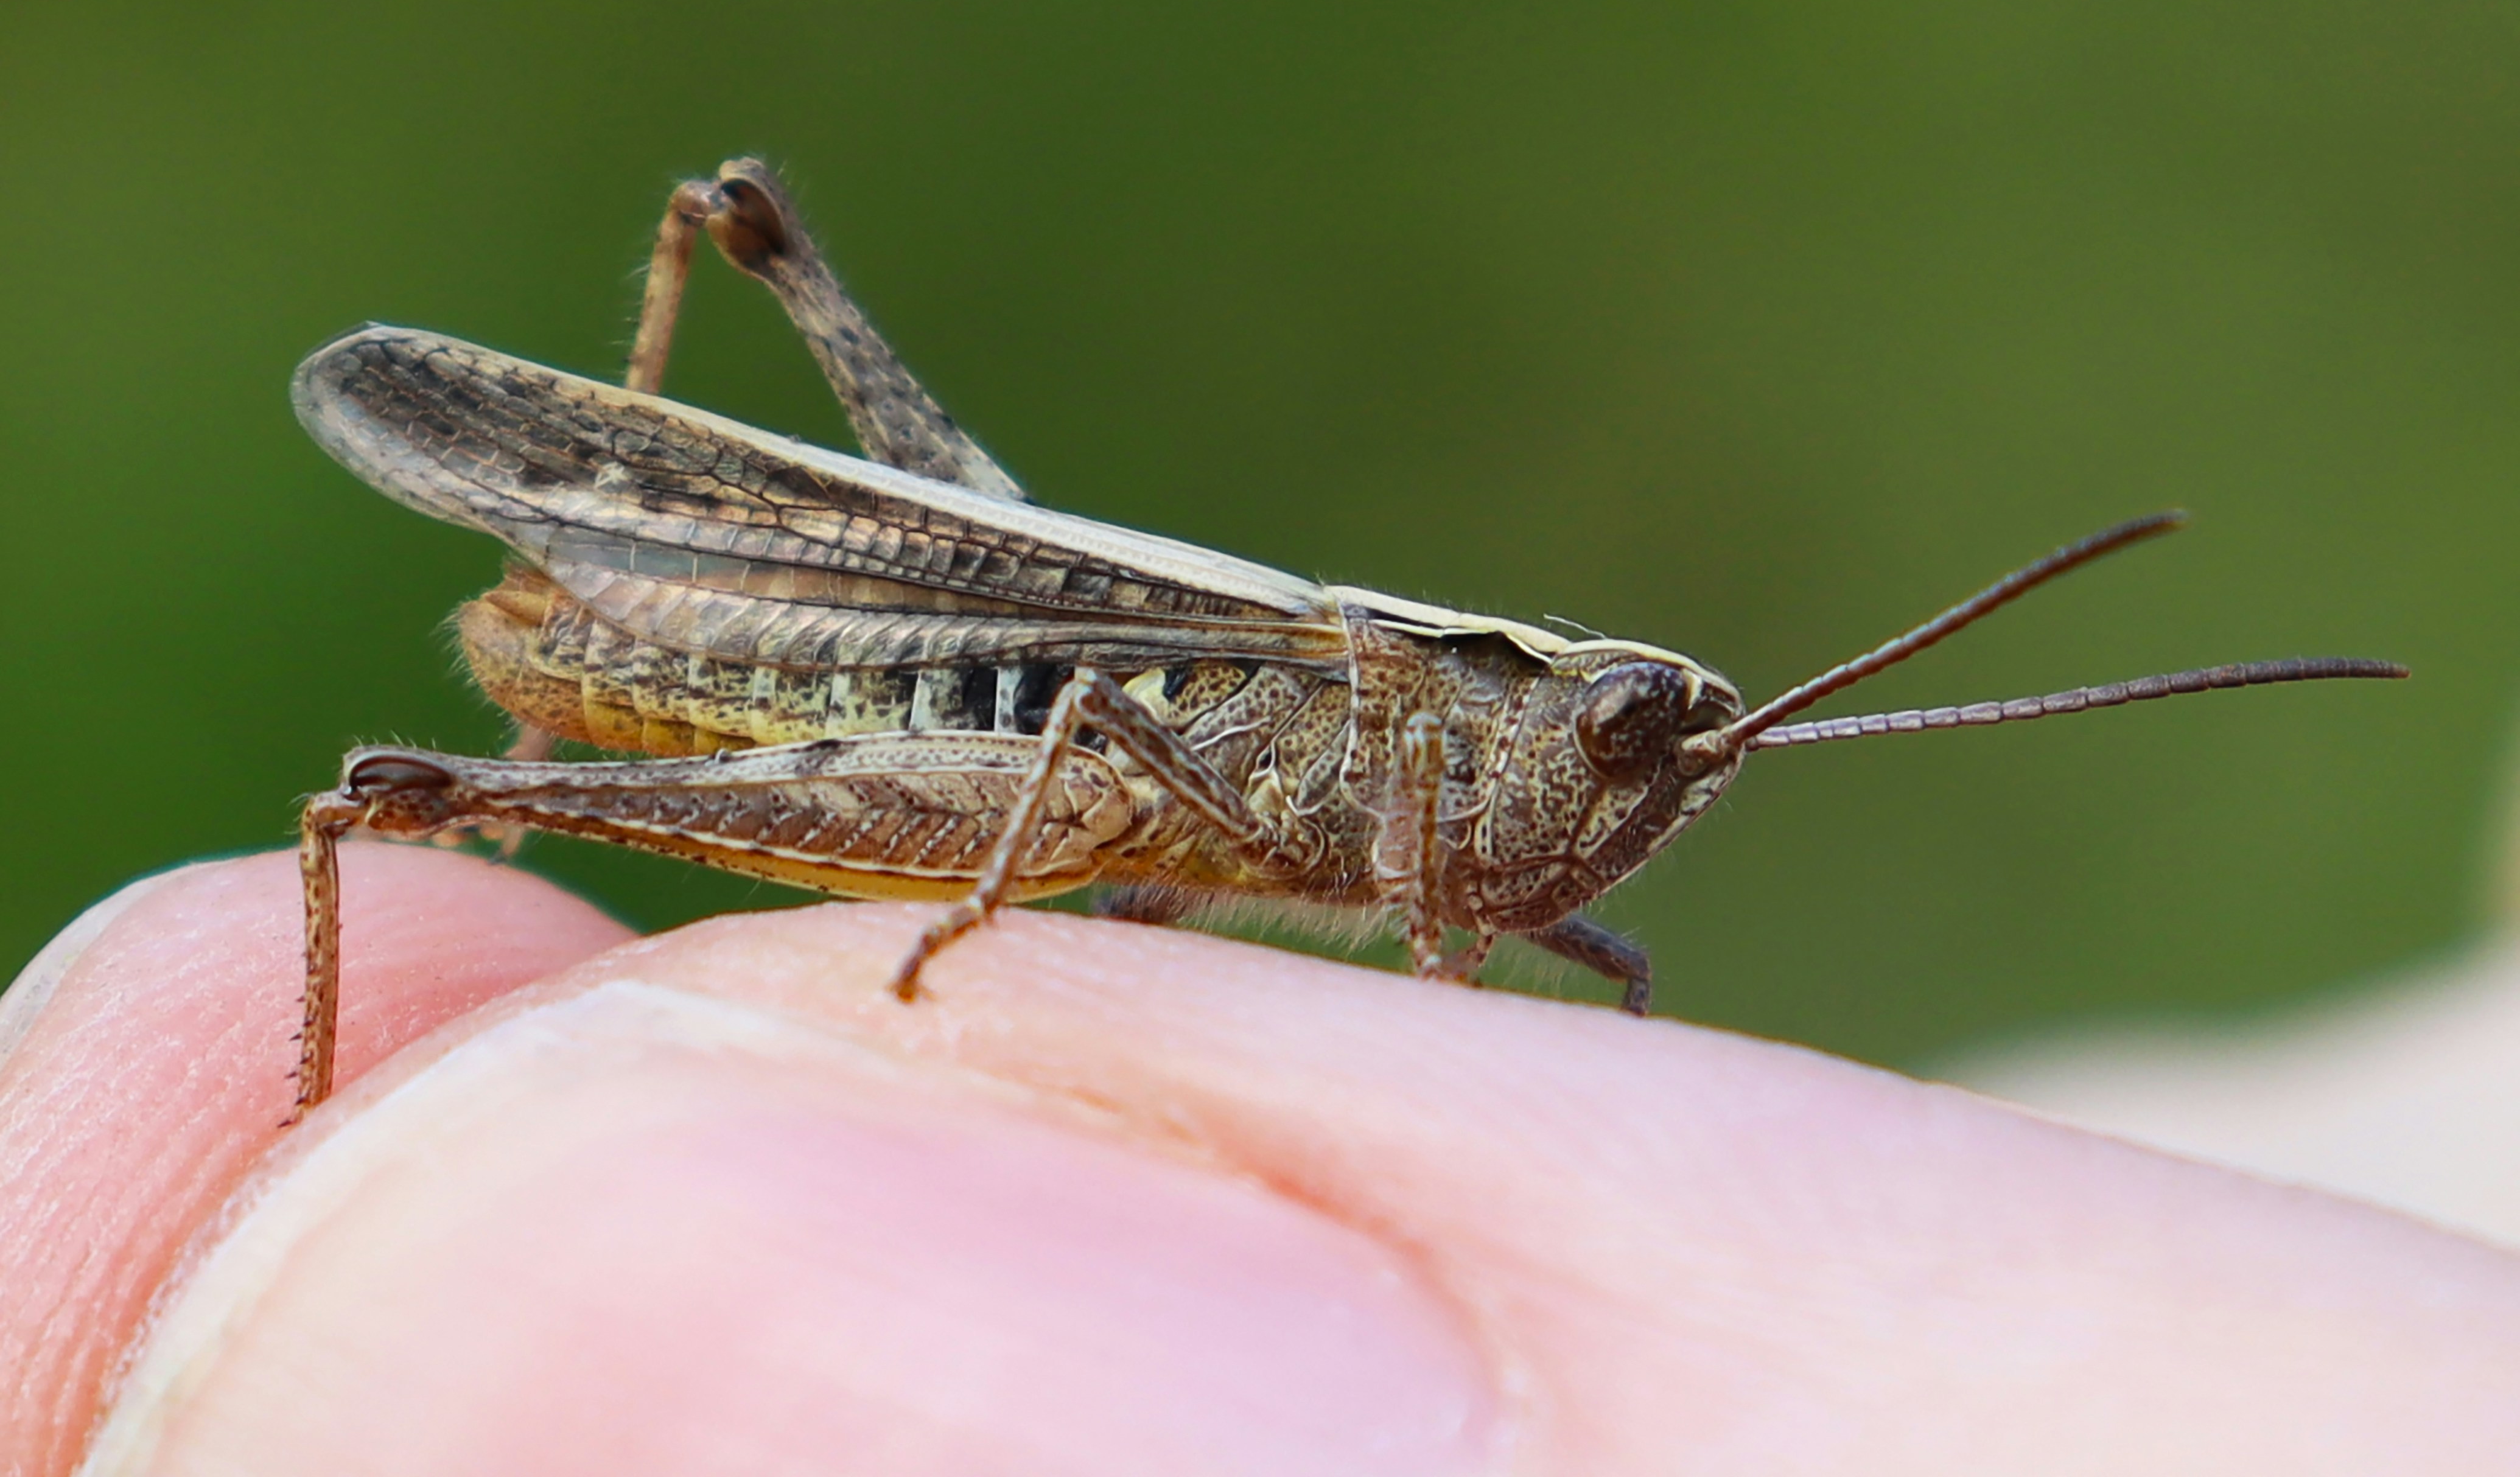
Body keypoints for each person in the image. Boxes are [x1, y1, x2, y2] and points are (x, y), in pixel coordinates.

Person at [4, 843, 2516, 1475]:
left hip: (1037, 792)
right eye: (1636, 740)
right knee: (391, 836)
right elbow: (1100, 707)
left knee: (1611, 994)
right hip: (931, 686)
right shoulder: (1361, 709)